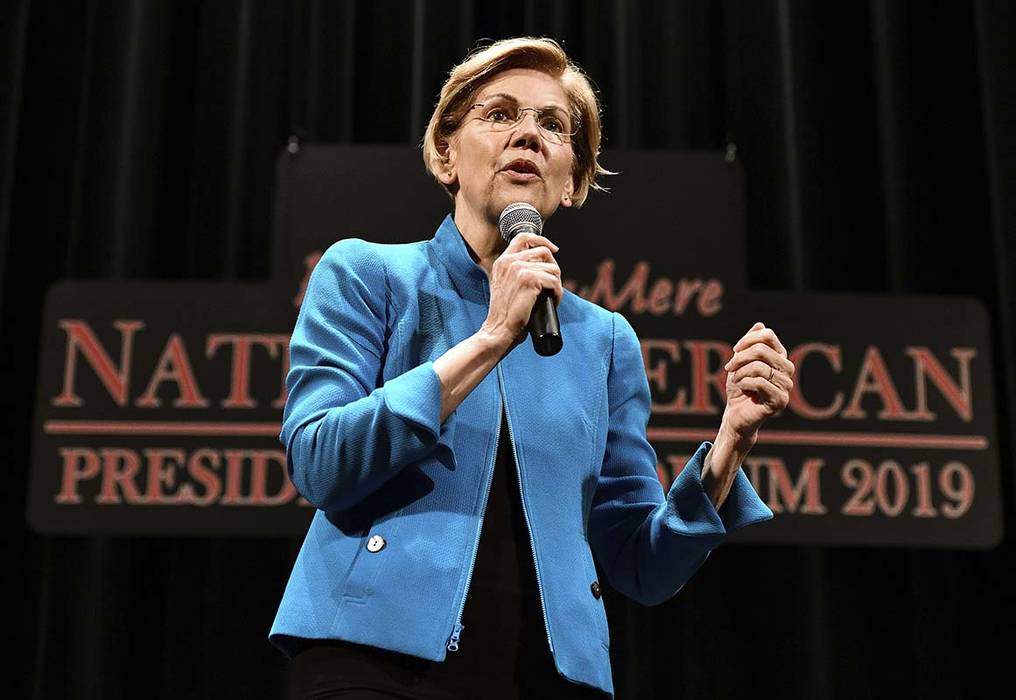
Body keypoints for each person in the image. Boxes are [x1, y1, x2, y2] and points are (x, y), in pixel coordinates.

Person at [270, 36, 794, 699]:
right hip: (374, 664)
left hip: (550, 680)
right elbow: (319, 463)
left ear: (573, 180)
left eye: (553, 125)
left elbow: (641, 565)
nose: (529, 134)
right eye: (500, 114)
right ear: (445, 154)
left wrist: (730, 444)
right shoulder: (369, 273)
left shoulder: (603, 339)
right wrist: (492, 337)